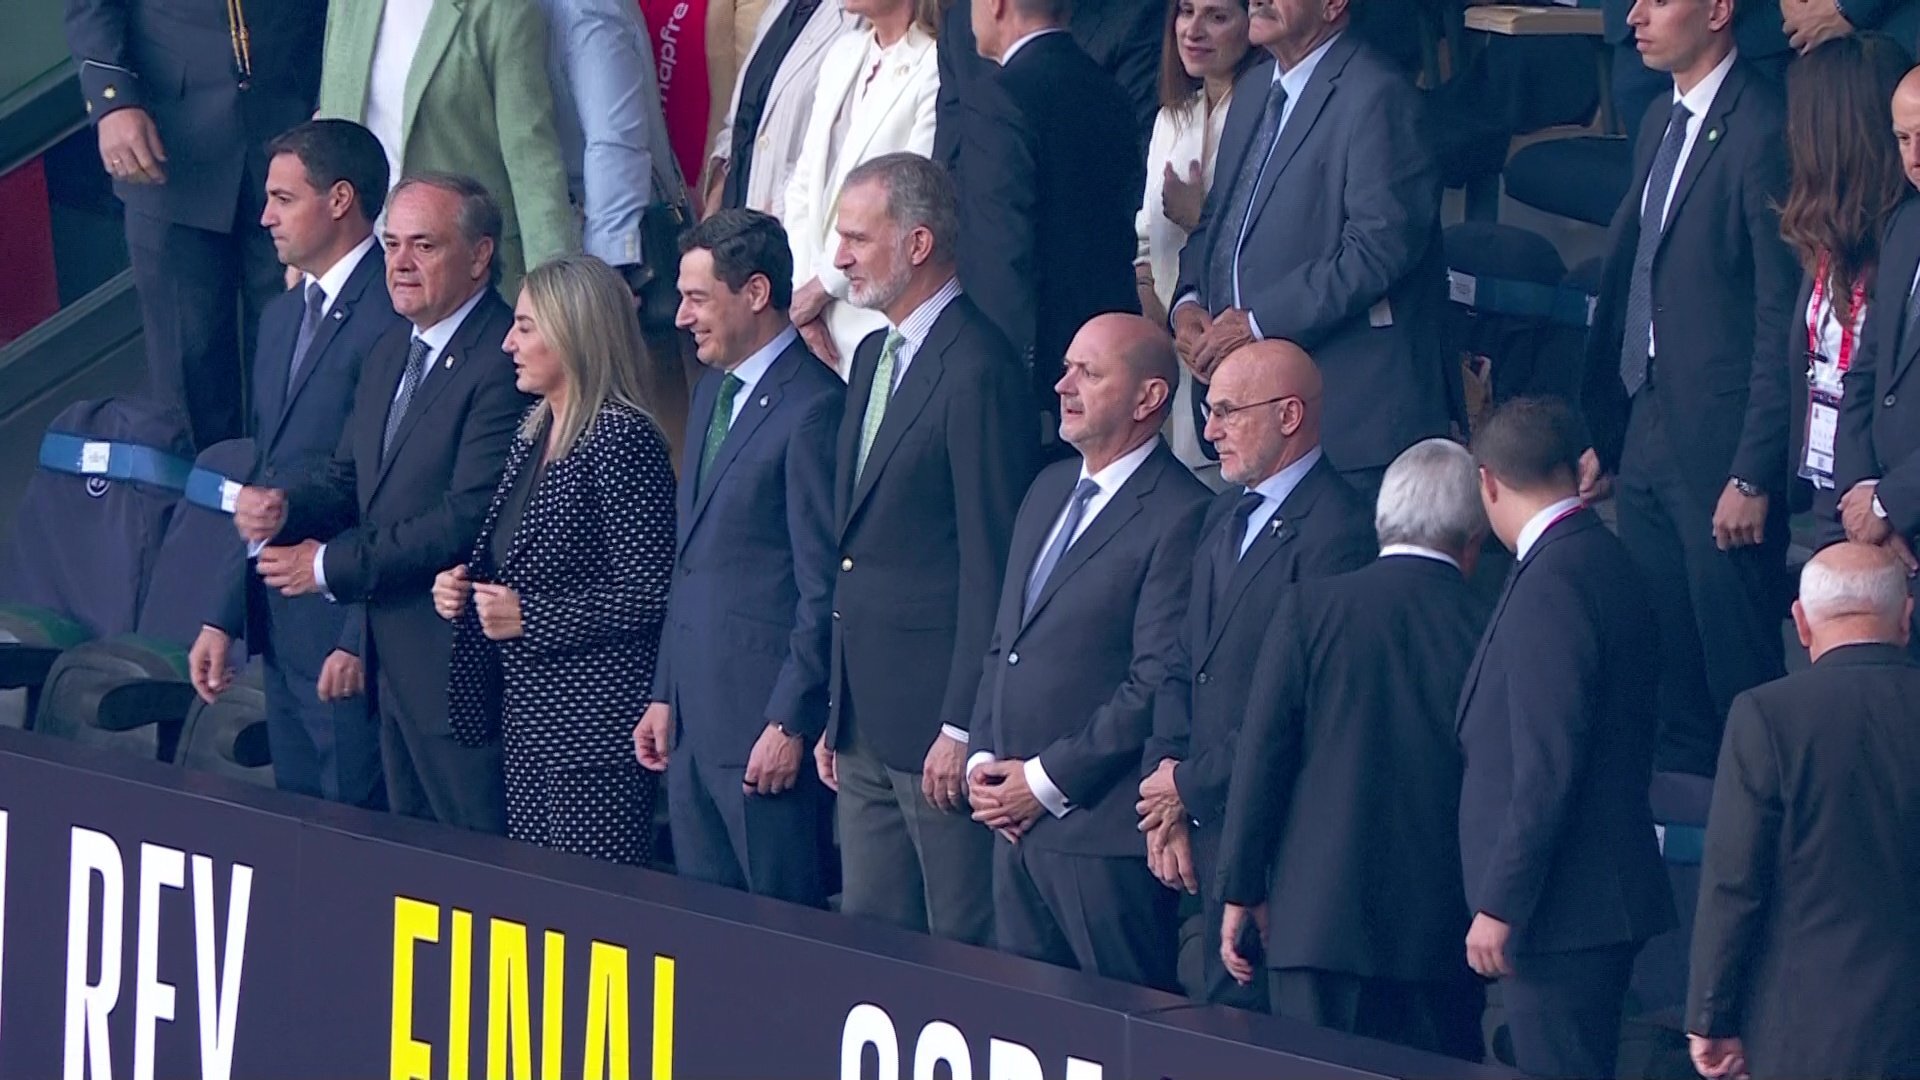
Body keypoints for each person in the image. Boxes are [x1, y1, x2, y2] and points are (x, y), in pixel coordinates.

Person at [233, 173, 530, 834]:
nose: (399, 263)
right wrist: (286, 507)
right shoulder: (391, 346)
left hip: (460, 675)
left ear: (479, 255)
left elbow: (466, 517)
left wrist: (326, 565)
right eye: (392, 244)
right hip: (389, 669)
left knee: (475, 868)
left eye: (424, 245)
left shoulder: (503, 358)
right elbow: (349, 478)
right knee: (407, 866)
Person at [816, 153, 1039, 946]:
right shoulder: (871, 356)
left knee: (959, 948)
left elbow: (994, 561)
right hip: (862, 721)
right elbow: (855, 546)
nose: (839, 257)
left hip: (937, 729)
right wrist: (835, 705)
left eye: (856, 239)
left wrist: (962, 723)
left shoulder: (977, 365)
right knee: (873, 948)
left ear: (916, 244)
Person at [1579, 0, 1798, 779]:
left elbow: (1780, 318)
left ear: (1718, 10)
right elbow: (1641, 280)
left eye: (1659, 0)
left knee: (1738, 674)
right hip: (1646, 425)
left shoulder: (1764, 128)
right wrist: (1612, 433)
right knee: (1667, 668)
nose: (1634, 16)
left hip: (1722, 453)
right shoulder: (1658, 122)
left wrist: (1753, 472)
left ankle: (1759, 839)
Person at [1215, 438, 1488, 1059]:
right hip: (1437, 941)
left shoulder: (1310, 609)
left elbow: (1262, 757)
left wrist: (1240, 887)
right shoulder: (1489, 625)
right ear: (1474, 535)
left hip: (1315, 931)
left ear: (1382, 517)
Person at [965, 314, 1210, 991]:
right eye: (1067, 367)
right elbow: (1005, 643)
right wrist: (984, 761)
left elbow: (1154, 682)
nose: (1063, 385)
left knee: (1119, 1028)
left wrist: (1042, 783)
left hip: (1098, 839)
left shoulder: (1183, 512)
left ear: (1149, 398)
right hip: (1011, 829)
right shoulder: (1046, 488)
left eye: (1089, 373)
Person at [1137, 339, 1376, 1010]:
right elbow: (1184, 662)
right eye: (1208, 412)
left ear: (1289, 415)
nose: (1209, 432)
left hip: (1279, 843)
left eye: (1227, 413)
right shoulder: (1223, 511)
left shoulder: (1342, 531)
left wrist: (1187, 784)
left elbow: (1307, 707)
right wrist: (1165, 790)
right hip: (1205, 827)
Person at [430, 256, 675, 864]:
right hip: (527, 724)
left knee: (588, 906)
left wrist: (531, 617)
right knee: (537, 907)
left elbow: (651, 590)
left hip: (592, 737)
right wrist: (462, 587)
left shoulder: (621, 438)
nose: (508, 343)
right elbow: (514, 562)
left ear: (574, 332)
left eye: (525, 327)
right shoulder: (533, 431)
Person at [1461, 397, 1676, 1080]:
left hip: (1563, 910)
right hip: (1583, 903)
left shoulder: (1555, 576)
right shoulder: (1594, 554)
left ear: (1488, 481)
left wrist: (1502, 901)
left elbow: (1547, 762)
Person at [633, 210, 843, 905]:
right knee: (706, 937)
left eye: (697, 298)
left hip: (760, 733)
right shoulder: (713, 394)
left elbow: (822, 588)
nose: (681, 317)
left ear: (755, 292)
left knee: (779, 935)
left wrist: (789, 721)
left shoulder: (814, 408)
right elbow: (690, 560)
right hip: (694, 727)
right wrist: (664, 693)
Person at [190, 120, 399, 809]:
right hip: (280, 630)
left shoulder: (396, 313)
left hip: (350, 630)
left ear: (340, 200)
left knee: (355, 838)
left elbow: (392, 487)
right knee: (300, 831)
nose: (264, 217)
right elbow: (267, 474)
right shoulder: (281, 318)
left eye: (282, 199)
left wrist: (356, 637)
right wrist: (223, 616)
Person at [1168, 0, 1448, 501]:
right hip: (1251, 418)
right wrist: (1189, 301)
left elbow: (1379, 249)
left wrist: (1257, 322)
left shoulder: (1379, 94)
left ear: (1334, 5)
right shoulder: (1255, 87)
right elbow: (1217, 222)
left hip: (1345, 423)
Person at [1686, 542, 1920, 1080]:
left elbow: (1734, 882)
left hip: (1811, 1031)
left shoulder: (1768, 717)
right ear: (1906, 617)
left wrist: (1711, 1015)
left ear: (1802, 622)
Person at [64, 0, 327, 448]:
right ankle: (201, 494)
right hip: (168, 144)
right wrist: (113, 101)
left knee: (297, 356)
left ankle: (287, 490)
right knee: (187, 373)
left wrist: (336, 95)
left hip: (297, 122)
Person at [951, 0, 1145, 435]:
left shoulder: (996, 99)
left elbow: (998, 262)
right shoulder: (1110, 92)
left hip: (1031, 388)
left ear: (996, 4)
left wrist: (999, 390)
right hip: (1107, 365)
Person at [317, 0, 577, 298]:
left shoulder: (502, 9)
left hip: (463, 279)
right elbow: (331, 129)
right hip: (361, 268)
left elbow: (532, 160)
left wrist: (554, 294)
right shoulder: (348, 5)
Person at [1780, 36, 1911, 528]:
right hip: (1833, 492)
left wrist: (1887, 505)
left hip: (1891, 505)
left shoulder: (1904, 239)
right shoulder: (1828, 236)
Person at [783, 0, 940, 372]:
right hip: (810, 321)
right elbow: (802, 187)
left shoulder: (935, 63)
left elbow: (908, 202)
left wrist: (822, 288)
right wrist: (802, 297)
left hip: (876, 320)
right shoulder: (843, 53)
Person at [1136, 0, 1255, 488]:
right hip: (1170, 351)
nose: (1193, 30)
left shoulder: (1268, 113)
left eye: (1217, 16)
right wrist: (1154, 310)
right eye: (1186, 12)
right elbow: (1144, 241)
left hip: (1233, 350)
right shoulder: (1173, 118)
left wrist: (1198, 215)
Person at [1835, 65, 1920, 648]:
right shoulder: (1904, 224)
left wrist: (1889, 504)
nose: (1915, 157)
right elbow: (1866, 372)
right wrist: (1862, 494)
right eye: (1903, 139)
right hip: (1887, 534)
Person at [534, 0, 682, 290]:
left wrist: (608, 270)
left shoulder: (583, 6)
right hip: (580, 238)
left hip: (619, 249)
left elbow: (615, 139)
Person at [705, 0, 858, 217]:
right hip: (735, 220)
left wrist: (771, 216)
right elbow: (743, 118)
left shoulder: (859, 22)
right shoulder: (782, 6)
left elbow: (835, 156)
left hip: (785, 226)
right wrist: (714, 205)